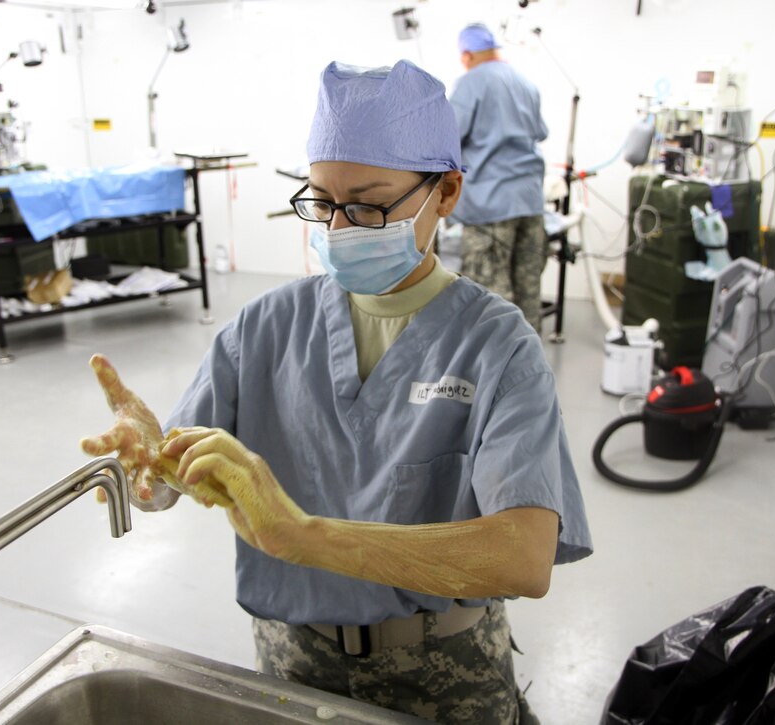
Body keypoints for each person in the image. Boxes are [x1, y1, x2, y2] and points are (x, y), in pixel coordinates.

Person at [81, 59, 592, 725]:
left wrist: (306, 537)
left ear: (447, 192)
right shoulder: (265, 329)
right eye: (322, 202)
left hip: (444, 676)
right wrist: (150, 462)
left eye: (369, 204)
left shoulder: (498, 346)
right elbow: (176, 478)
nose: (340, 229)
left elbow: (523, 558)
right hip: (293, 661)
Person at [450, 23, 550, 333]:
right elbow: (541, 132)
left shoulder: (471, 83)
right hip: (530, 202)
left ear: (466, 56)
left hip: (490, 205)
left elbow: (447, 136)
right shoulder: (525, 84)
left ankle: (495, 373)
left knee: (489, 297)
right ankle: (528, 368)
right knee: (528, 289)